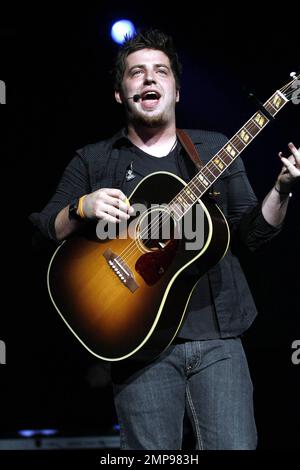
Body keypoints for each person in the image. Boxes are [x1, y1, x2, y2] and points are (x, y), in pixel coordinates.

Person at [29, 29, 300, 450]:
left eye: (160, 71)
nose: (149, 79)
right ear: (121, 93)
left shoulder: (213, 148)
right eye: (136, 73)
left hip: (219, 338)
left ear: (177, 90)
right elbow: (43, 228)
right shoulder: (94, 159)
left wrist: (281, 189)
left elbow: (253, 234)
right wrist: (81, 208)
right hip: (137, 344)